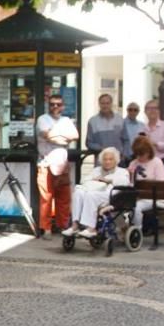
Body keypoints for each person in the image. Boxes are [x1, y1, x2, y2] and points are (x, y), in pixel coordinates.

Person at [36, 93, 79, 237]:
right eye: (52, 104)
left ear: (63, 106)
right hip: (46, 163)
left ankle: (62, 226)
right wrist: (62, 138)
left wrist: (56, 136)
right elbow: (47, 135)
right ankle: (46, 228)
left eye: (58, 104)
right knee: (46, 198)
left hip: (62, 164)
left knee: (63, 198)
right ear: (48, 105)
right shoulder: (42, 119)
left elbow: (75, 136)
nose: (55, 106)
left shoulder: (66, 120)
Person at [62, 147, 131, 237]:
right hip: (95, 193)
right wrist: (94, 179)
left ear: (116, 160)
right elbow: (84, 180)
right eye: (105, 159)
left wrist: (108, 180)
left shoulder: (122, 171)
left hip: (111, 197)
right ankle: (75, 225)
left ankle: (91, 228)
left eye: (110, 159)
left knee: (91, 195)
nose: (107, 162)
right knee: (78, 193)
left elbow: (125, 183)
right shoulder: (97, 170)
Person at [127, 135, 164, 231]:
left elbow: (162, 183)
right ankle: (125, 229)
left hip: (154, 198)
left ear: (148, 152)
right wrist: (129, 175)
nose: (139, 157)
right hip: (137, 197)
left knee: (136, 207)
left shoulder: (156, 162)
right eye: (137, 154)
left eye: (141, 154)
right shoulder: (133, 163)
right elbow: (129, 185)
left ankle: (137, 231)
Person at [139, 99, 164, 180]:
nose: (152, 111)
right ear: (145, 111)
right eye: (149, 108)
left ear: (159, 111)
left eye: (154, 108)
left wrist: (153, 143)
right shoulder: (142, 129)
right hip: (146, 162)